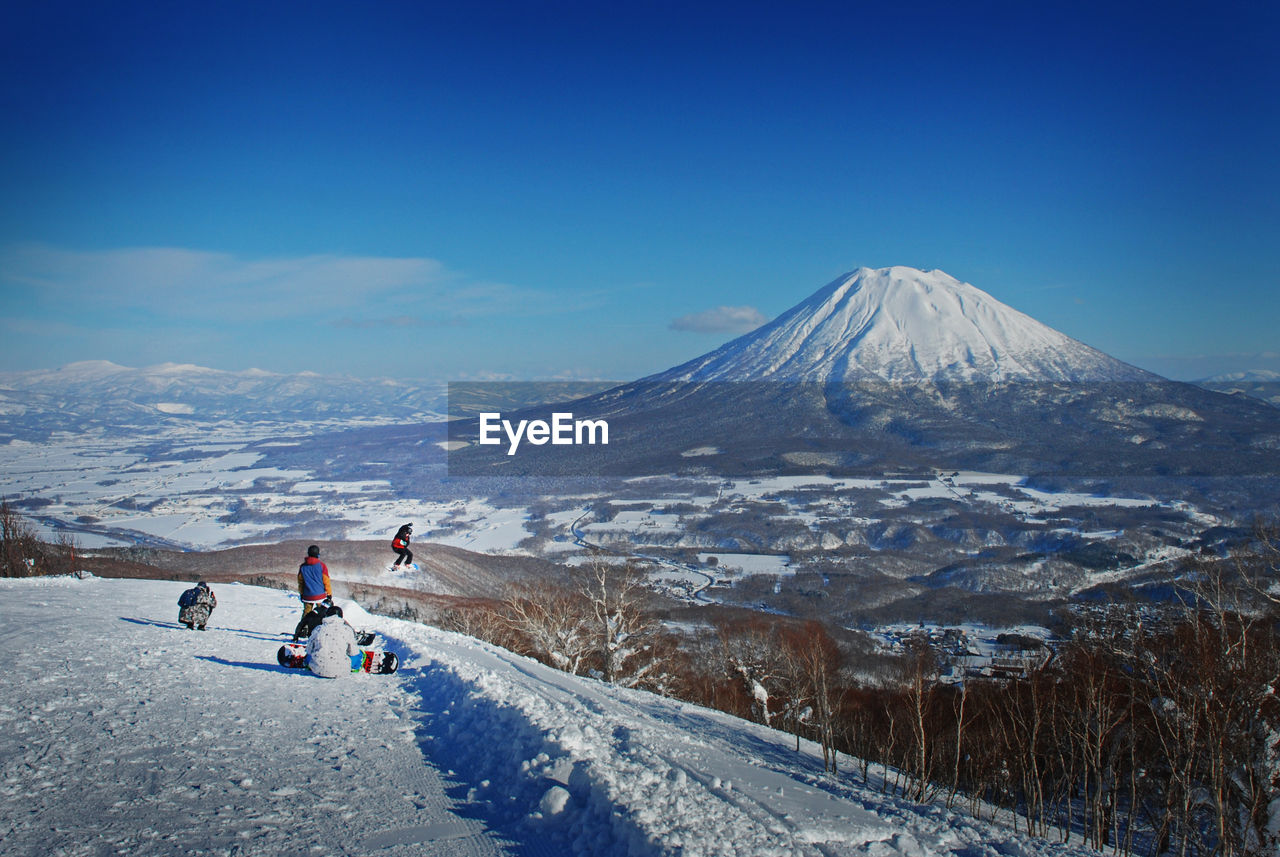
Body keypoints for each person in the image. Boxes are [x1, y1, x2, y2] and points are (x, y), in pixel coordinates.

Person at [305, 605, 361, 678]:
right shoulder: (347, 630)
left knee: (309, 656)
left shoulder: (318, 629)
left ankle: (309, 664)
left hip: (317, 670)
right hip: (342, 671)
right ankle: (356, 667)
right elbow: (354, 652)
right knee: (358, 655)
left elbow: (308, 650)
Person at [297, 544, 331, 619]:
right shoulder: (322, 566)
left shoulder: (303, 566)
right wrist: (329, 593)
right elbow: (326, 581)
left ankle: (303, 627)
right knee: (323, 612)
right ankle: (323, 627)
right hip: (320, 595)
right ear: (317, 554)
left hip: (307, 595)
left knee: (306, 612)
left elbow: (300, 582)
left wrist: (302, 593)